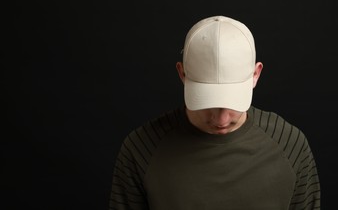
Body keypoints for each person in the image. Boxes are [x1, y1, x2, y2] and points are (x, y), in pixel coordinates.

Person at [109, 15, 321, 209]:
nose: (221, 119)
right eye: (207, 102)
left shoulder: (290, 146)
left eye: (232, 102)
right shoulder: (141, 150)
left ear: (255, 75)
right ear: (182, 74)